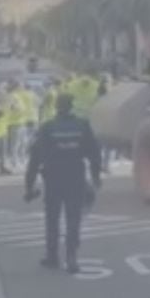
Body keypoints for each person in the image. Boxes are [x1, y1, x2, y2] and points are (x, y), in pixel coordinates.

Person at [24, 94, 101, 274]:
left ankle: (52, 257)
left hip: (53, 179)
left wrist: (29, 185)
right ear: (71, 106)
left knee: (52, 218)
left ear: (57, 107)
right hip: (75, 177)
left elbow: (35, 159)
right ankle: (71, 257)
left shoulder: (47, 128)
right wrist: (96, 177)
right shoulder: (82, 126)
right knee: (73, 218)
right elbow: (94, 153)